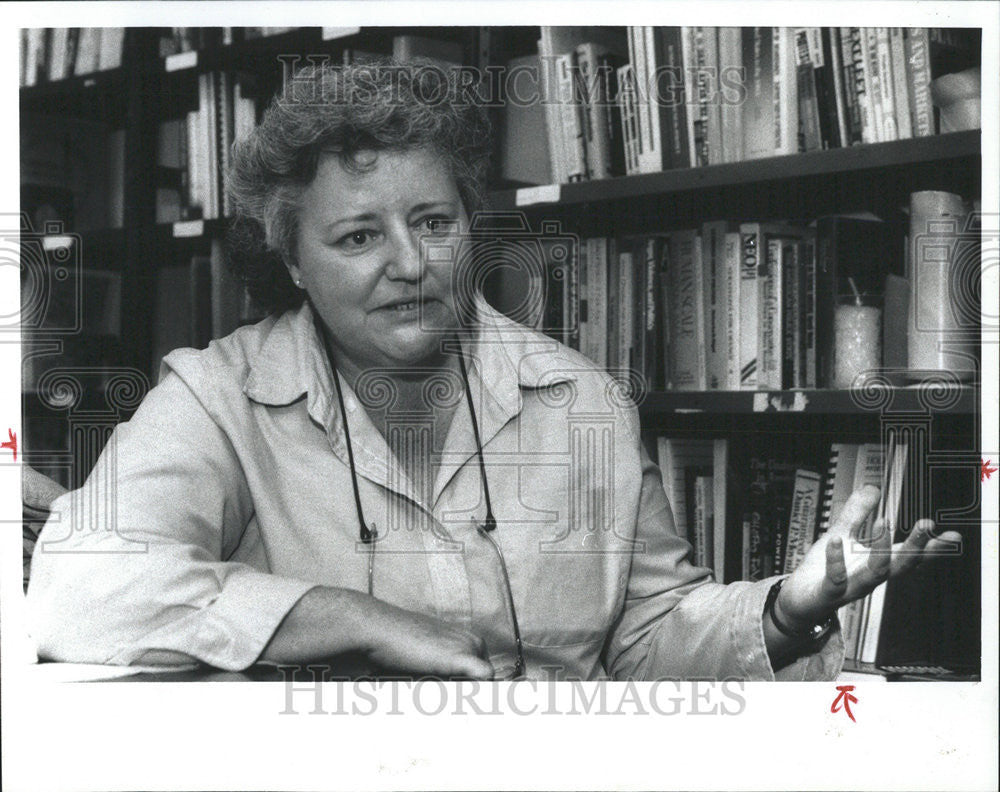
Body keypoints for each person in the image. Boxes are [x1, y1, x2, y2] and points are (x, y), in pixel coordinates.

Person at [25, 59, 958, 680]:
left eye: (434, 222)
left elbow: (644, 634)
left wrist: (786, 611)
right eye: (358, 236)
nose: (411, 262)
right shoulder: (216, 397)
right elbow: (81, 591)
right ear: (291, 260)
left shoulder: (580, 398)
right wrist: (343, 614)